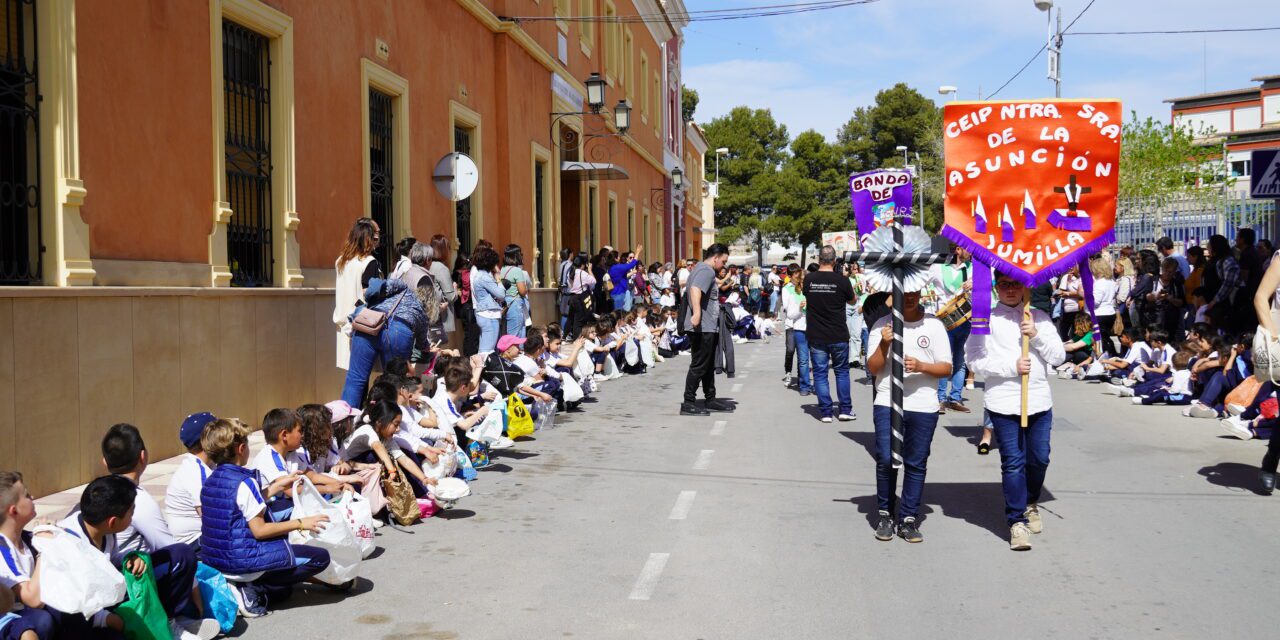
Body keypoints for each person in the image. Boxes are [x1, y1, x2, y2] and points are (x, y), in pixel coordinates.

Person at [965, 271, 1066, 551]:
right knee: (1012, 462)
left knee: (1039, 459)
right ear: (997, 287)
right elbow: (973, 359)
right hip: (1004, 402)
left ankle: (1031, 500)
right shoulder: (985, 319)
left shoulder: (1040, 318)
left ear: (1024, 286)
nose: (1010, 290)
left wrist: (1035, 336)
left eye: (1015, 284)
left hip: (1038, 401)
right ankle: (1016, 521)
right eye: (1005, 285)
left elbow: (1058, 357)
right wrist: (1011, 367)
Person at [198, 418, 333, 615]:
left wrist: (276, 486)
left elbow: (240, 504)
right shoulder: (245, 481)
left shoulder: (210, 480)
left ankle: (246, 585)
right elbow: (260, 531)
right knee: (321, 558)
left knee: (284, 592)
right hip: (243, 561)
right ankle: (253, 587)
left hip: (216, 559)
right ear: (241, 448)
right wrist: (300, 523)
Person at [57, 475, 213, 639]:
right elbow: (75, 605)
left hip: (109, 595)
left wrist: (130, 558)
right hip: (85, 617)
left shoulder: (101, 527)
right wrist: (118, 622)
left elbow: (113, 559)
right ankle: (151, 627)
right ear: (113, 522)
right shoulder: (70, 544)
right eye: (131, 512)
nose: (133, 516)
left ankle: (166, 623)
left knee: (181, 555)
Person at [865, 288, 951, 543]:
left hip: (923, 405)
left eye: (914, 292)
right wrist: (884, 343)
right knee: (885, 458)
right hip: (887, 401)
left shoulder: (934, 325)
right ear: (894, 294)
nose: (909, 297)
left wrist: (922, 366)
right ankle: (885, 515)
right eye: (904, 293)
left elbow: (947, 367)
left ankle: (908, 518)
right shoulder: (882, 325)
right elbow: (872, 367)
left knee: (916, 461)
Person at [1, 471, 124, 640]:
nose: (33, 496)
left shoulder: (27, 539)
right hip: (15, 620)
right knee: (44, 620)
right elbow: (33, 598)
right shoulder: (3, 548)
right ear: (14, 511)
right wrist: (46, 546)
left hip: (40, 611)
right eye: (27, 495)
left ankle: (99, 620)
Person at [340, 278, 446, 408]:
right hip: (399, 333)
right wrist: (429, 350)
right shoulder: (422, 315)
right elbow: (422, 345)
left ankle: (344, 421)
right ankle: (387, 419)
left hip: (370, 323)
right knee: (394, 382)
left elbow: (375, 287)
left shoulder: (402, 289)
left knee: (355, 378)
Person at [804, 246, 857, 423]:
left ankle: (826, 412)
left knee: (820, 374)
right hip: (838, 333)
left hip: (816, 334)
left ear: (819, 259)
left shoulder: (809, 279)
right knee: (842, 372)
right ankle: (845, 410)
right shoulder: (842, 280)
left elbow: (807, 297)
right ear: (834, 261)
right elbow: (852, 300)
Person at [680, 244, 733, 416]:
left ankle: (710, 399)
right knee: (699, 365)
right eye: (723, 261)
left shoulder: (701, 269)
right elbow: (695, 290)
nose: (723, 265)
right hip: (702, 327)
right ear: (715, 257)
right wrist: (696, 313)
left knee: (708, 365)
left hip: (707, 326)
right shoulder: (706, 271)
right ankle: (688, 402)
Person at [333, 217, 381, 370]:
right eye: (373, 236)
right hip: (361, 325)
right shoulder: (369, 262)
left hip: (342, 323)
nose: (376, 240)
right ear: (367, 239)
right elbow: (369, 293)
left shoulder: (341, 261)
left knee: (351, 376)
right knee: (361, 376)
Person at [930, 245, 973, 412]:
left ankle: (955, 397)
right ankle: (940, 398)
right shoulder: (938, 267)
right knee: (943, 359)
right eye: (969, 248)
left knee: (961, 361)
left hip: (965, 318)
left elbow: (990, 282)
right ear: (958, 249)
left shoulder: (974, 269)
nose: (972, 252)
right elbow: (920, 281)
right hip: (943, 319)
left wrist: (975, 283)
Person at [165, 412, 218, 546]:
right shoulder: (197, 472)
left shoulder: (207, 465)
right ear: (208, 440)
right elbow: (213, 519)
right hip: (194, 544)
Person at [781, 264, 811, 394]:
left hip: (804, 324)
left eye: (800, 274)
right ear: (791, 275)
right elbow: (788, 309)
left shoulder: (805, 287)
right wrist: (799, 307)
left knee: (802, 355)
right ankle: (788, 372)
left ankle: (801, 379)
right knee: (790, 349)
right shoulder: (787, 289)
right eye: (796, 274)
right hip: (791, 324)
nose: (798, 277)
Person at [470, 246, 506, 353]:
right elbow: (500, 294)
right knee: (487, 351)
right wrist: (499, 280)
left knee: (484, 348)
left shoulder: (479, 275)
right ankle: (481, 369)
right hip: (488, 315)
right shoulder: (484, 277)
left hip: (484, 313)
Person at [500, 244, 531, 338]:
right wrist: (526, 288)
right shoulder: (517, 270)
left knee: (509, 331)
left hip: (506, 303)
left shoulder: (502, 269)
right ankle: (516, 351)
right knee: (517, 333)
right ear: (516, 256)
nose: (522, 256)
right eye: (520, 254)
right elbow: (522, 291)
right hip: (515, 303)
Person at [1090, 255, 1119, 356]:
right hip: (1110, 312)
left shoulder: (1099, 283)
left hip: (1099, 313)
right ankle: (1111, 354)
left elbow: (1096, 301)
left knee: (1100, 339)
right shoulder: (1111, 282)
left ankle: (1102, 356)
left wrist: (1087, 297)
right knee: (1107, 337)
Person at [607, 246, 644, 312]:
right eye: (618, 256)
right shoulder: (617, 267)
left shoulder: (612, 267)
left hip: (616, 293)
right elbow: (632, 264)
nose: (619, 258)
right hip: (618, 293)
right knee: (620, 314)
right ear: (615, 258)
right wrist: (637, 252)